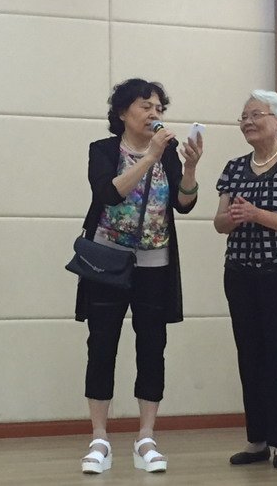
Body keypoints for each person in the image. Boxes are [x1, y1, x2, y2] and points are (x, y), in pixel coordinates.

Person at [75, 78, 203, 474]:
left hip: (154, 263)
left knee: (152, 346)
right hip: (107, 262)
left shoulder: (168, 154)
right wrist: (149, 156)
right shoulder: (103, 150)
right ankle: (99, 438)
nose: (154, 113)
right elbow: (109, 194)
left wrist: (190, 167)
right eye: (145, 106)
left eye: (159, 108)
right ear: (122, 112)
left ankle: (146, 437)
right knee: (102, 345)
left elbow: (184, 203)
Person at [213, 90, 277, 469]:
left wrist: (257, 214)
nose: (248, 122)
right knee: (250, 356)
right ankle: (256, 440)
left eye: (256, 114)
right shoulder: (234, 168)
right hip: (240, 275)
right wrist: (234, 218)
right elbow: (219, 223)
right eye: (244, 116)